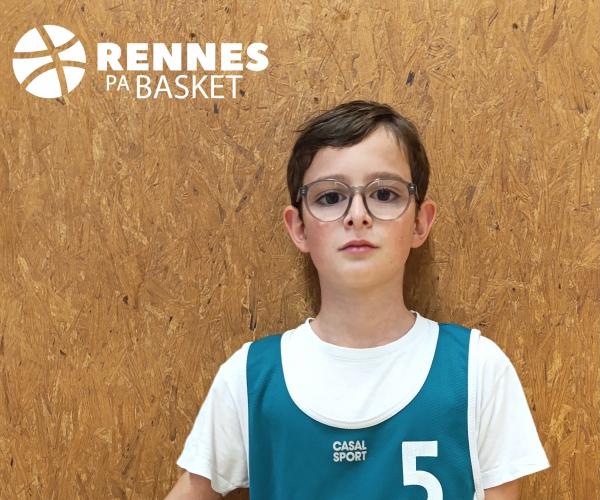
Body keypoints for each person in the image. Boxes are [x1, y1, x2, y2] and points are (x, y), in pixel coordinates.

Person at [165, 100, 550, 499]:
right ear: (298, 228)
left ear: (420, 222)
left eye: (384, 193)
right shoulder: (250, 378)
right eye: (330, 197)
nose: (357, 215)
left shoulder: (476, 370)